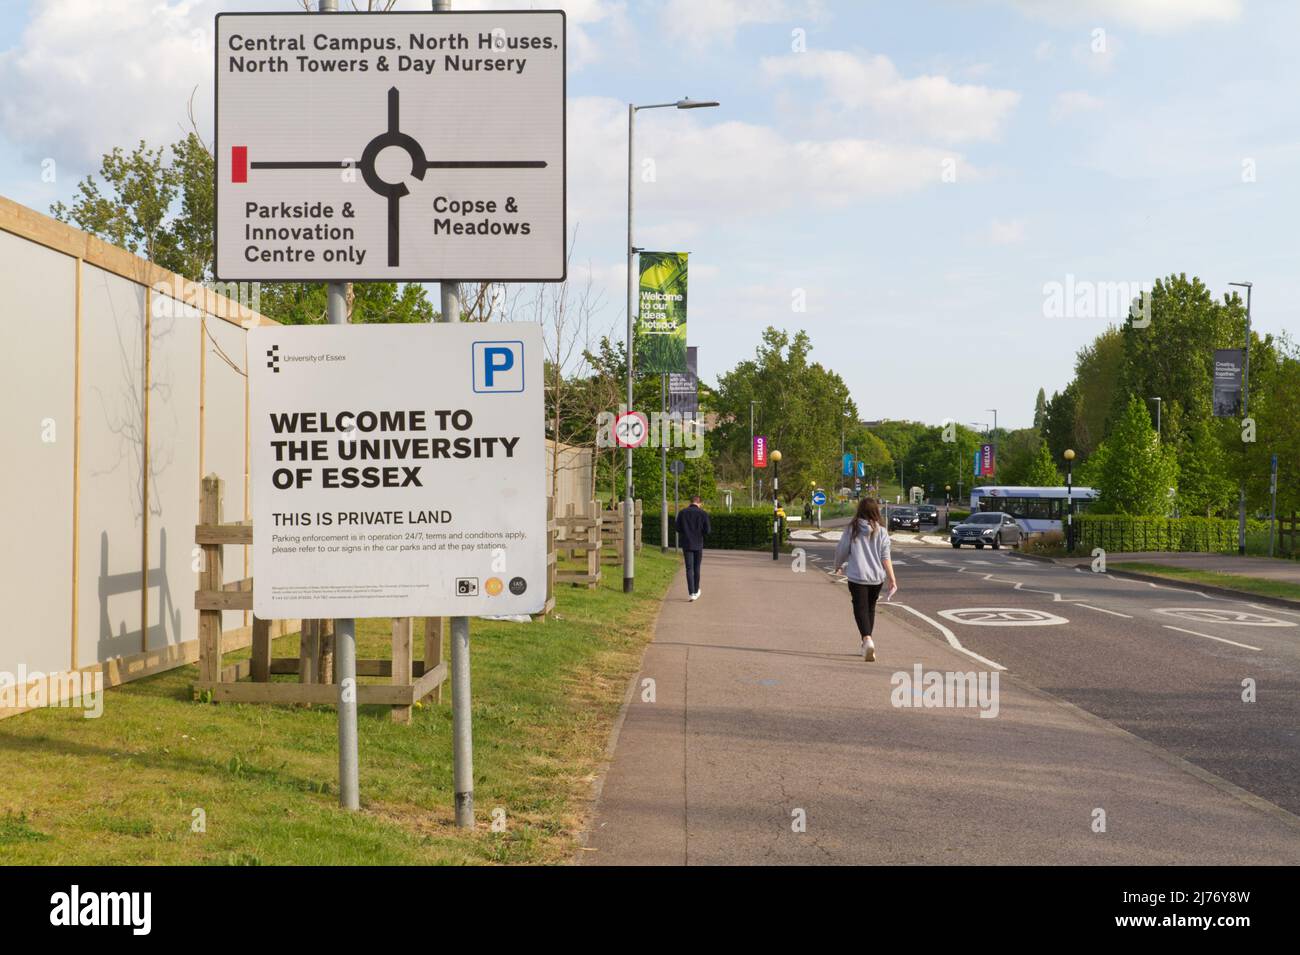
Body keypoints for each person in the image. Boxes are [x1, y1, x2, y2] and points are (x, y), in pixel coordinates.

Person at [832, 497, 898, 661]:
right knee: (870, 608)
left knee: (860, 608)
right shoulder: (881, 531)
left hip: (857, 577)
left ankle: (867, 639)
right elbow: (886, 557)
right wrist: (892, 579)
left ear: (859, 510)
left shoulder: (852, 529)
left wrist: (837, 565)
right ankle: (866, 642)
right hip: (876, 578)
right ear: (876, 511)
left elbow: (841, 550)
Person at [675, 495, 711, 601]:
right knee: (697, 568)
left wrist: (685, 533)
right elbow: (708, 530)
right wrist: (700, 533)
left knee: (689, 569)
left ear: (690, 502)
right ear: (700, 503)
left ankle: (691, 593)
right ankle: (696, 590)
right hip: (698, 543)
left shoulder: (682, 513)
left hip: (686, 543)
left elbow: (677, 528)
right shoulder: (703, 513)